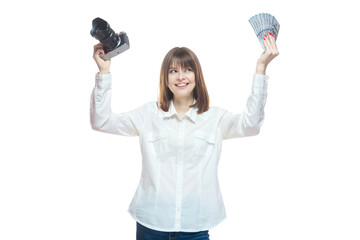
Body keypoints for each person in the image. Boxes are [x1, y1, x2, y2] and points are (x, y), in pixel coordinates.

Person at [90, 32, 279, 240]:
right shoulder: (148, 115)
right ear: (165, 78)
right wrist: (104, 72)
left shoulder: (215, 118)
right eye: (173, 71)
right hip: (151, 225)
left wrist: (261, 68)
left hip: (195, 228)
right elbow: (102, 121)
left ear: (197, 76)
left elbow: (251, 125)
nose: (181, 77)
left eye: (188, 70)